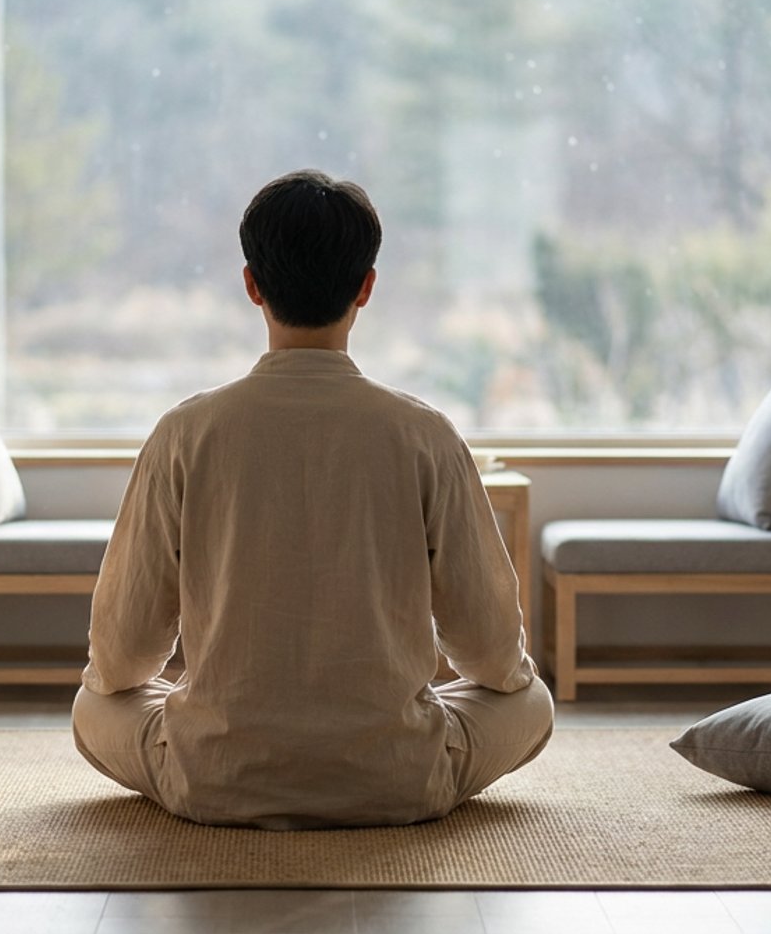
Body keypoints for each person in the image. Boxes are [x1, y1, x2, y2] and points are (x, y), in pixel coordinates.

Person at [72, 169, 554, 830]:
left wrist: (162, 694)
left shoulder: (184, 432)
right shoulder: (426, 434)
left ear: (251, 283)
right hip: (397, 777)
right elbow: (493, 655)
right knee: (534, 702)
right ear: (366, 287)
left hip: (212, 776)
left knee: (90, 705)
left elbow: (122, 654)